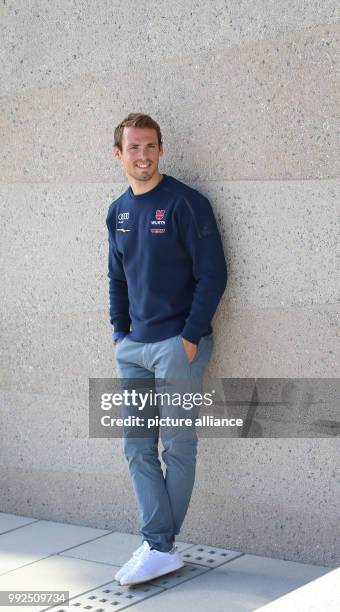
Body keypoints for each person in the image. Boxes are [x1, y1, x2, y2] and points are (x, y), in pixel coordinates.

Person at [106, 113, 228, 586]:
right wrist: (120, 332)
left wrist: (192, 335)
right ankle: (159, 545)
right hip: (134, 347)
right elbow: (117, 276)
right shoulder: (116, 210)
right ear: (119, 154)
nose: (143, 156)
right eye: (133, 148)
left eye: (150, 146)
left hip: (178, 345)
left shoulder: (186, 203)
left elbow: (213, 273)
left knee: (177, 447)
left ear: (161, 149)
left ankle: (157, 547)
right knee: (136, 446)